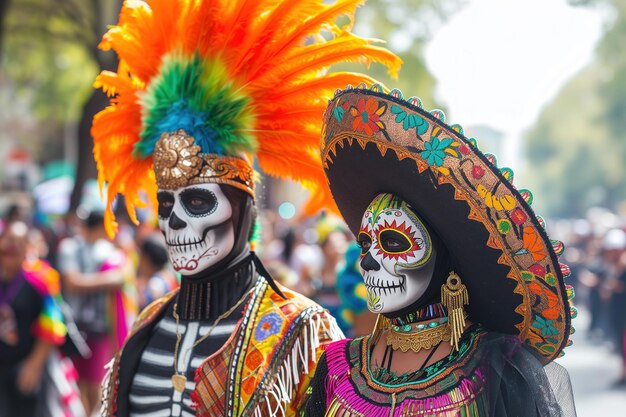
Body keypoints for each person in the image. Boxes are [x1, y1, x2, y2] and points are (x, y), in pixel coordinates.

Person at [90, 1, 401, 415]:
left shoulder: (301, 330)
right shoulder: (147, 322)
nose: (176, 221)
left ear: (244, 209)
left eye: (199, 201)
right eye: (167, 204)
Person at [304, 86, 577, 416]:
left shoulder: (495, 366)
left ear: (443, 256)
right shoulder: (337, 368)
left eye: (393, 242)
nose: (368, 261)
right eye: (365, 244)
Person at [0, 221, 84, 417]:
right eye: (7, 240)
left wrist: (34, 365)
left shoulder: (40, 279)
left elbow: (53, 325)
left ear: (27, 247)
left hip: (27, 367)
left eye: (18, 241)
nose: (11, 246)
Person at [58, 210, 135, 415]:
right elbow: (73, 283)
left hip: (99, 328)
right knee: (72, 382)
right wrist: (111, 280)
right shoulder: (70, 248)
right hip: (72, 328)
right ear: (102, 226)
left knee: (95, 384)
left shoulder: (108, 250)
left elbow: (125, 276)